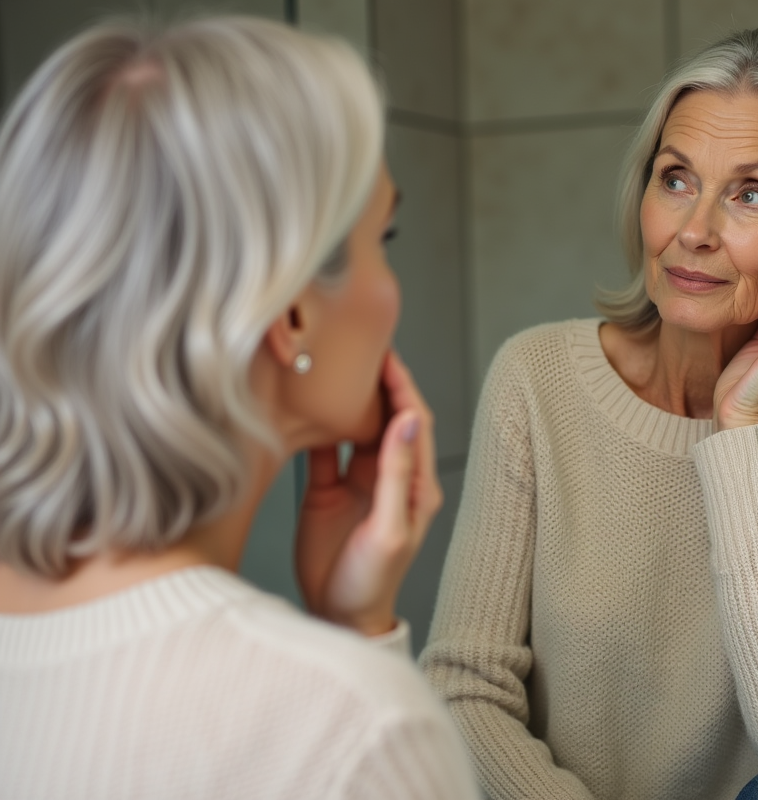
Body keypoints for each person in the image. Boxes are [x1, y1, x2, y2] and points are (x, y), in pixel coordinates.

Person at [421, 28, 758, 800]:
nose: (693, 231)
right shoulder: (536, 378)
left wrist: (743, 434)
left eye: (750, 193)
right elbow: (464, 691)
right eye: (675, 179)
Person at [0, 16, 478, 800]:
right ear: (290, 314)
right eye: (381, 238)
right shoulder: (358, 725)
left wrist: (350, 627)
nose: (393, 288)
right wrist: (357, 664)